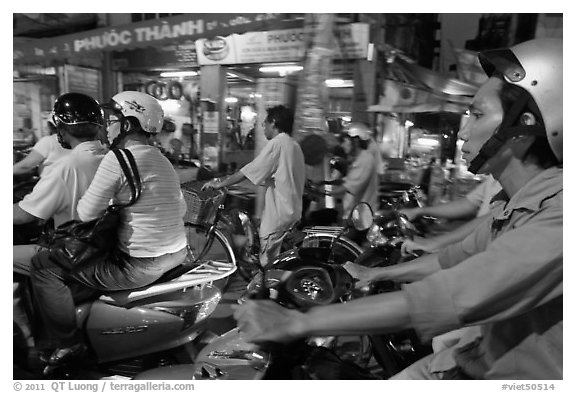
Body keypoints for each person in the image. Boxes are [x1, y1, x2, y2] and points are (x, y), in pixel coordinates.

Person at [233, 38, 562, 379]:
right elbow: (453, 257)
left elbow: (449, 294)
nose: (463, 131)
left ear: (522, 127)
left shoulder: (560, 216)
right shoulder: (513, 204)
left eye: (477, 114)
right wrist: (377, 273)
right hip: (476, 355)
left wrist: (296, 322)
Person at [29, 91, 188, 371]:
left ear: (127, 125)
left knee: (44, 266)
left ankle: (68, 343)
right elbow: (181, 209)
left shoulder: (119, 158)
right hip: (176, 253)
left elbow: (86, 213)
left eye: (113, 119)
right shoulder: (162, 159)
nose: (106, 124)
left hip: (140, 264)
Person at [13, 93, 108, 276]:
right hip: (99, 248)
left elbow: (24, 215)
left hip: (70, 251)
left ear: (61, 129)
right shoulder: (108, 157)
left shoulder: (67, 166)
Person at [202, 105, 305, 267]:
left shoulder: (277, 144)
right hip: (292, 211)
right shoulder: (294, 145)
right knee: (279, 262)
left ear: (274, 123)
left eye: (265, 123)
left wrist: (219, 183)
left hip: (278, 215)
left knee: (268, 266)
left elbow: (249, 171)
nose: (263, 126)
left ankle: (267, 291)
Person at [400, 175, 502, 255]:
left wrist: (435, 242)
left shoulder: (511, 180)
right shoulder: (495, 176)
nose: (464, 149)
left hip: (490, 252)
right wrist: (418, 211)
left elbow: (492, 217)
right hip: (477, 246)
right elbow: (468, 203)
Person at [313, 122, 379, 219]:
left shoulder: (365, 160)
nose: (343, 146)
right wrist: (324, 182)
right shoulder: (359, 158)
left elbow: (347, 187)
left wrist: (320, 191)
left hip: (361, 218)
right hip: (353, 215)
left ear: (355, 141)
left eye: (344, 141)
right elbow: (347, 180)